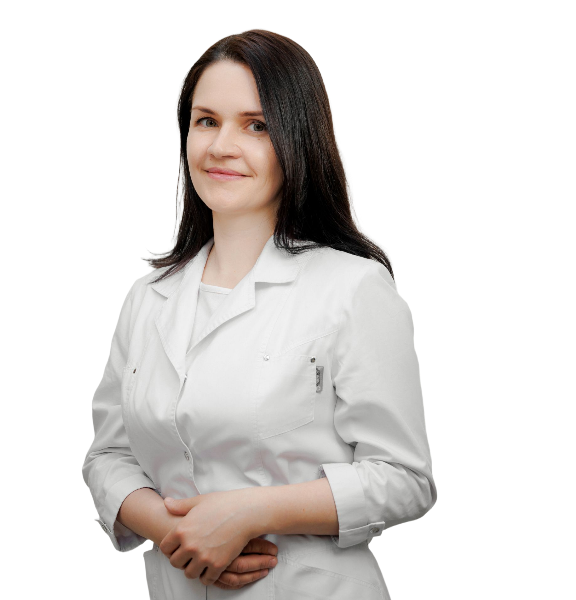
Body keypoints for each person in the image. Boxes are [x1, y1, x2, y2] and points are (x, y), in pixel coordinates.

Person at [82, 27, 437, 599]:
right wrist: (174, 531)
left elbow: (404, 479)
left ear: (297, 139)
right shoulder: (147, 298)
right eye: (206, 121)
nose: (221, 146)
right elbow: (108, 455)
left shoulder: (352, 289)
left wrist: (249, 512)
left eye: (257, 125)